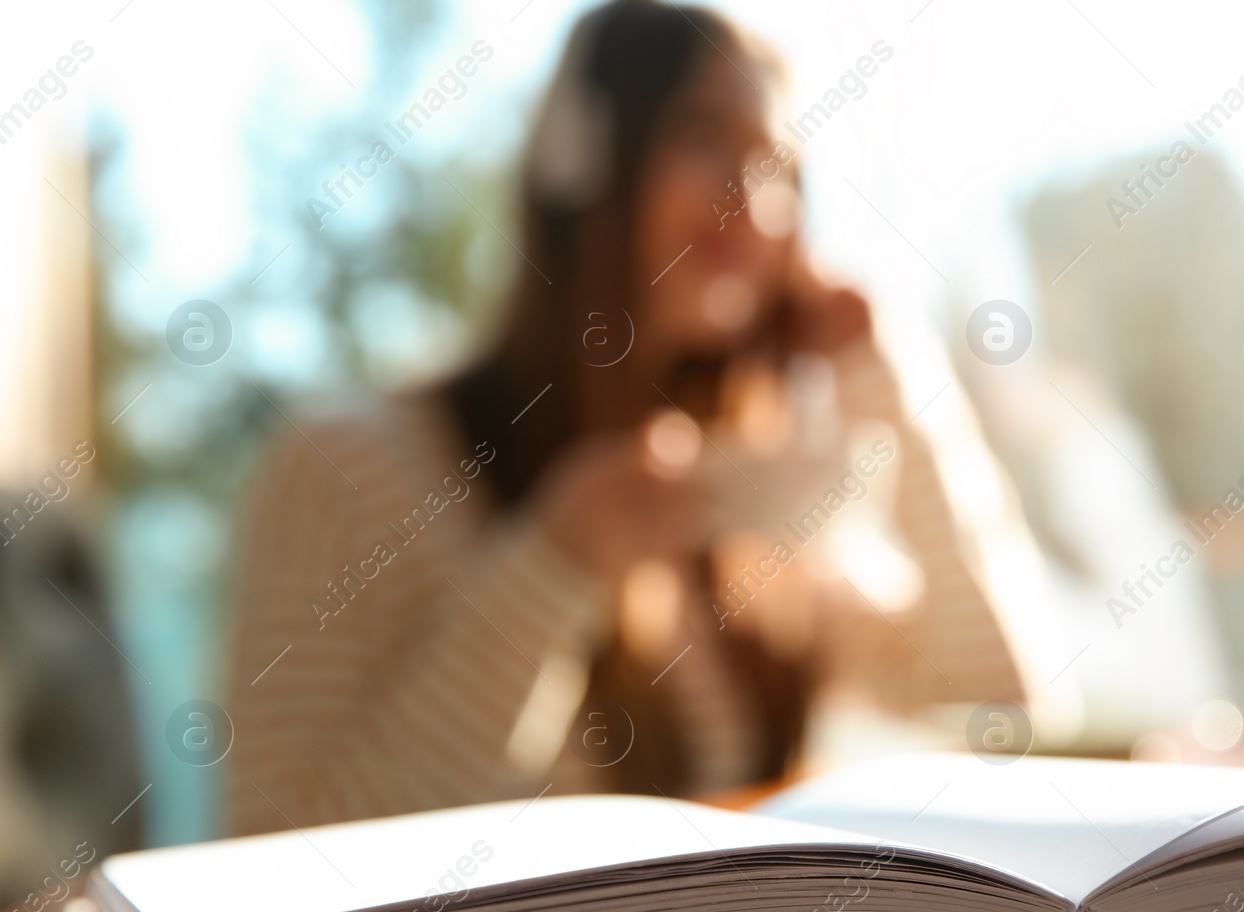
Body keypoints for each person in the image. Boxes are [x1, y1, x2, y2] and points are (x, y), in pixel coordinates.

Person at [224, 0, 1065, 835]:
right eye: (702, 136)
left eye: (777, 163)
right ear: (579, 175)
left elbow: (1007, 699)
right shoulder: (351, 461)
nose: (752, 196)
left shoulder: (755, 514)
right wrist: (550, 568)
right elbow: (277, 845)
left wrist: (896, 386)